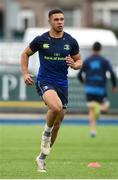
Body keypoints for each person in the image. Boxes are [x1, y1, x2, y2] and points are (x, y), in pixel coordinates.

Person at [21, 8, 82, 172]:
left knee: (58, 123)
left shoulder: (71, 41)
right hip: (45, 81)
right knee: (56, 107)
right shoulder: (41, 40)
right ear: (49, 21)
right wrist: (25, 73)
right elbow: (25, 54)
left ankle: (41, 158)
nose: (60, 22)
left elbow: (79, 61)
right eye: (56, 19)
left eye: (62, 19)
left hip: (63, 83)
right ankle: (45, 134)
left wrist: (75, 65)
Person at [77, 41, 117, 137]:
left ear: (93, 49)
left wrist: (84, 82)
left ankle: (93, 131)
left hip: (89, 88)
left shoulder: (87, 60)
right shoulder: (104, 61)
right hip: (100, 89)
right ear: (100, 49)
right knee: (106, 106)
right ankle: (99, 108)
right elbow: (112, 73)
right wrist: (114, 85)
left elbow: (79, 74)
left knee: (91, 109)